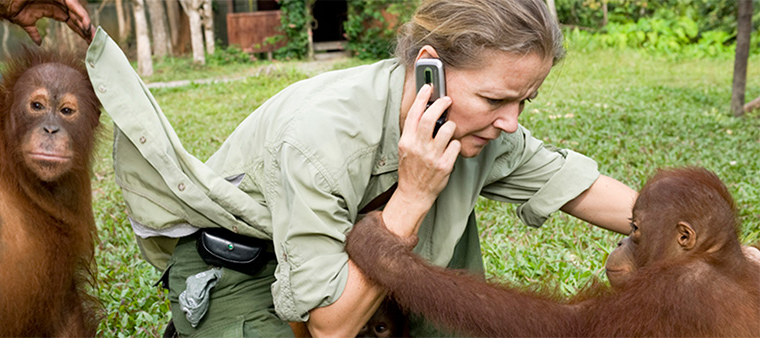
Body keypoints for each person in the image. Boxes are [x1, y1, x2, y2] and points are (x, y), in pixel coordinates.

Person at [81, 0, 641, 337]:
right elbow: (331, 325)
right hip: (247, 264)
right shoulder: (322, 136)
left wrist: (709, 243)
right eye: (495, 100)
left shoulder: (480, 129)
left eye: (526, 101)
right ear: (431, 73)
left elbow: (575, 185)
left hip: (359, 254)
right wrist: (413, 197)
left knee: (457, 251)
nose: (512, 122)